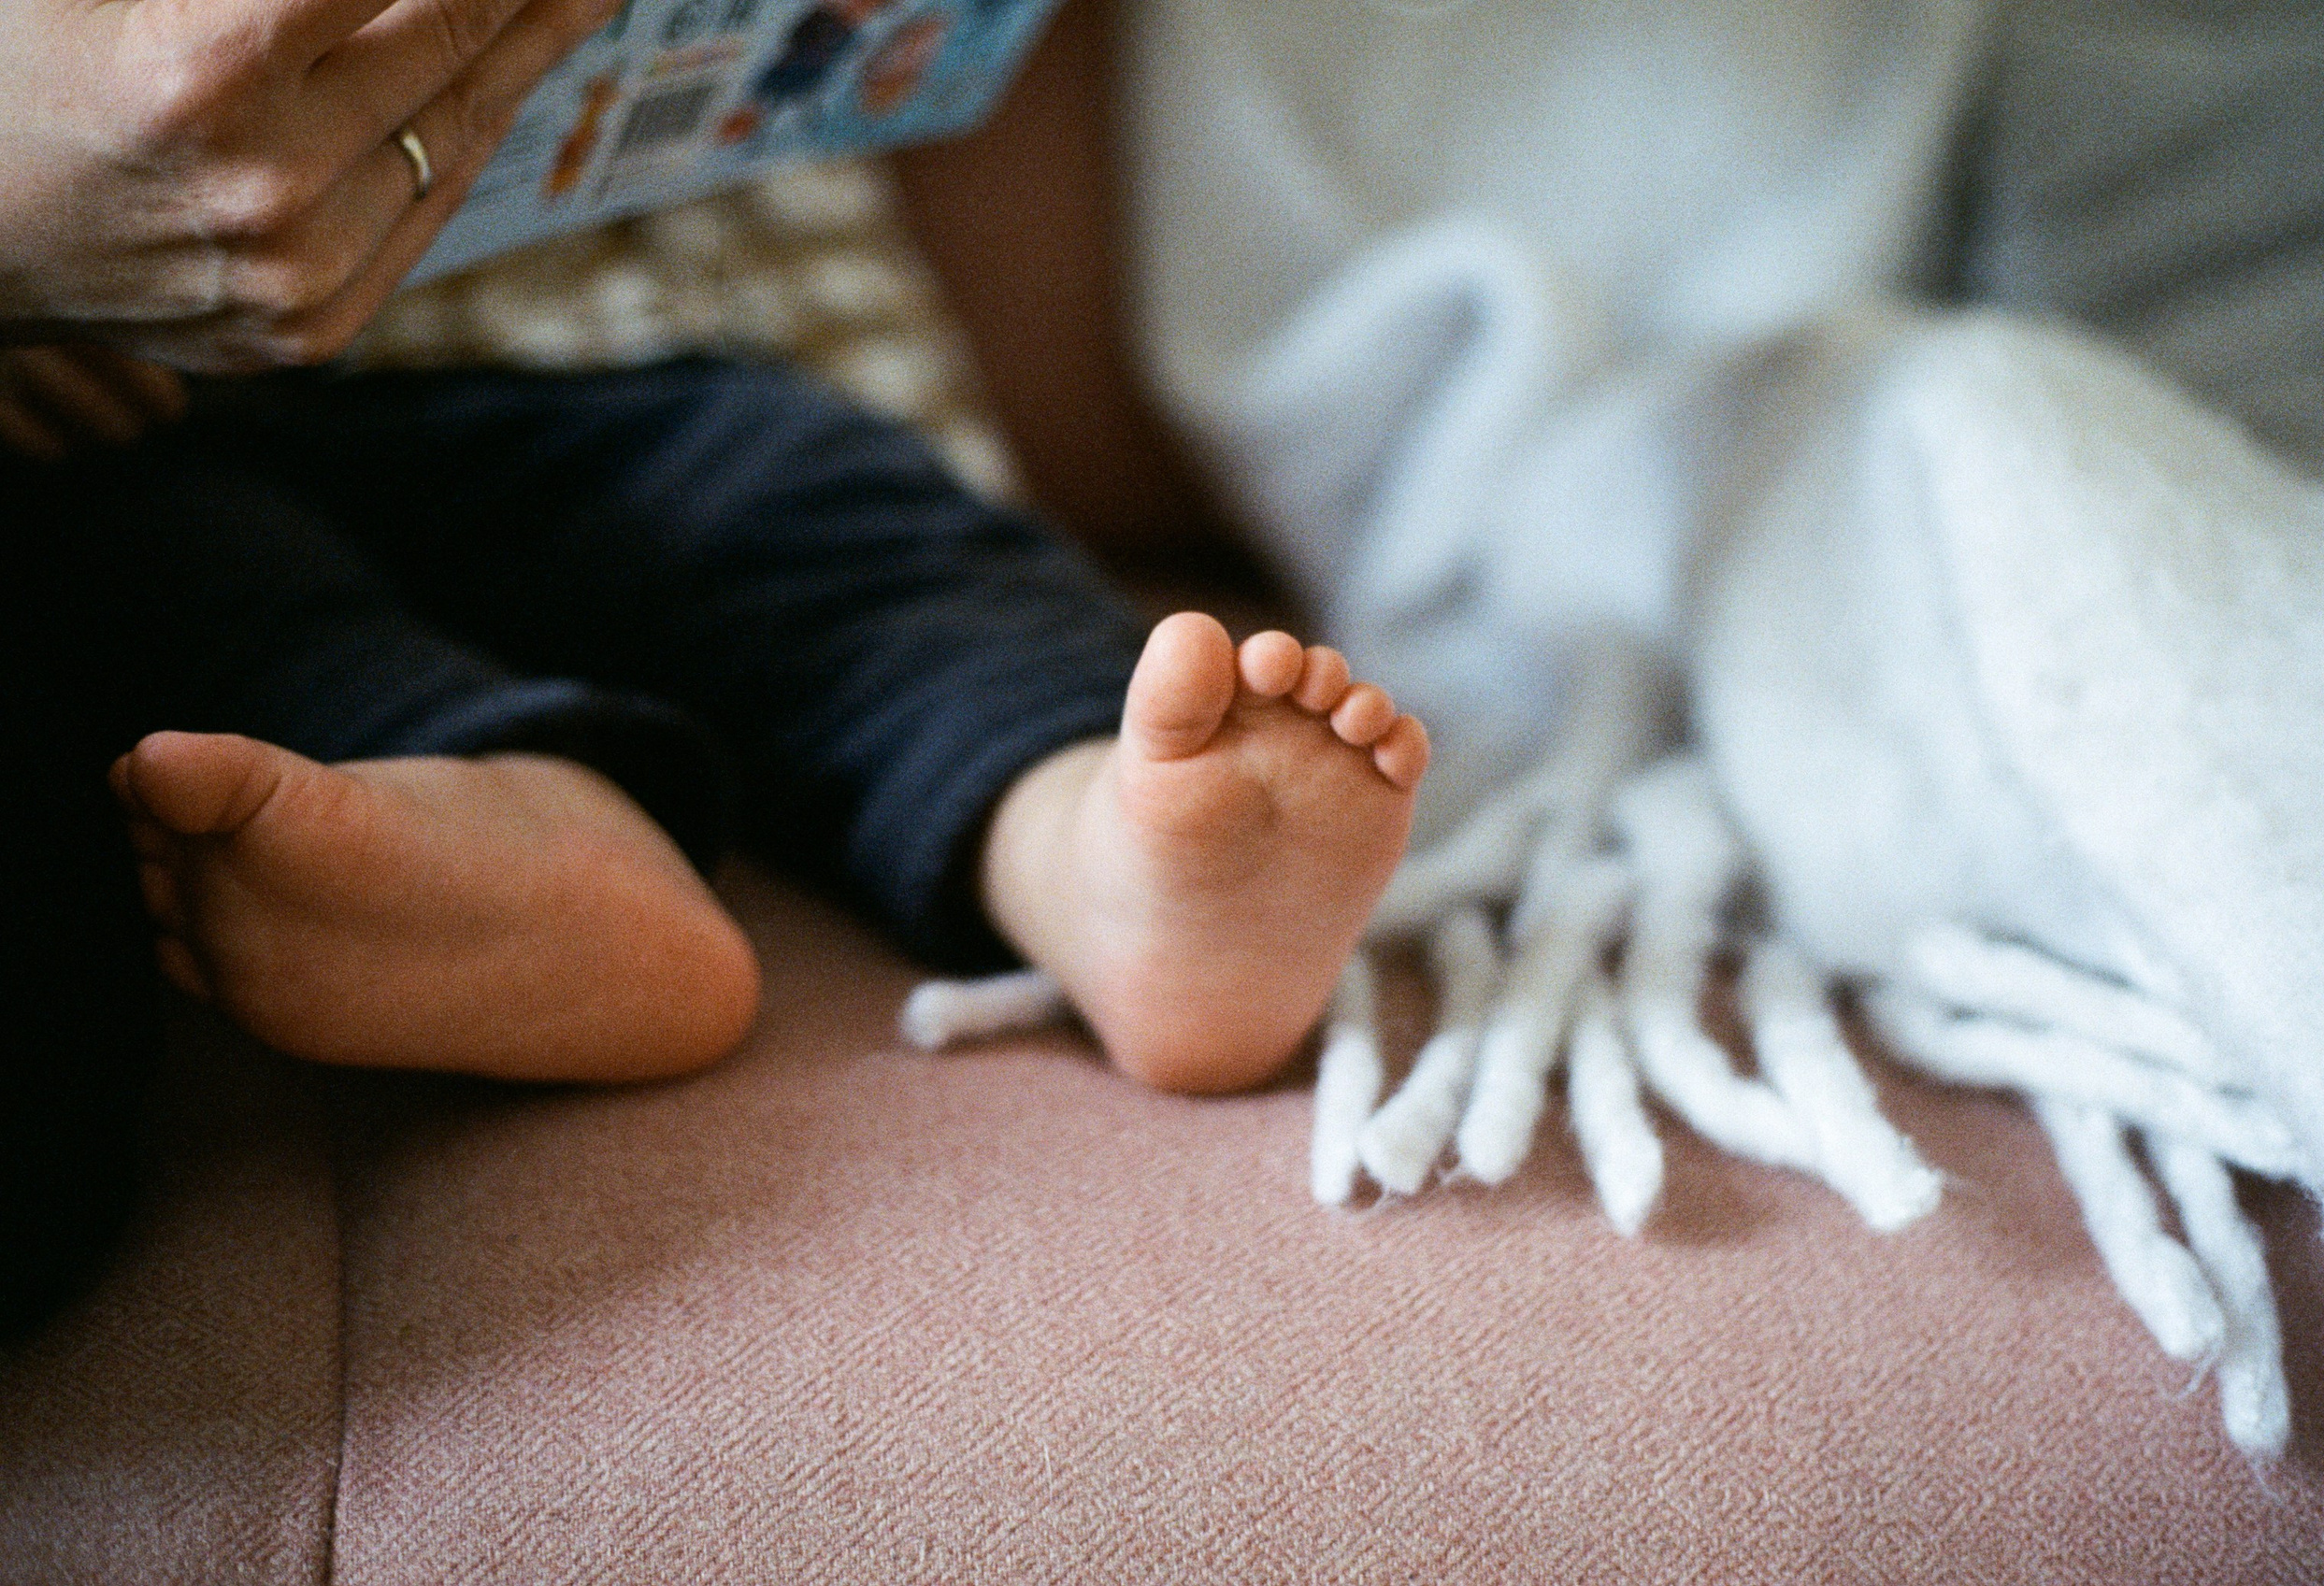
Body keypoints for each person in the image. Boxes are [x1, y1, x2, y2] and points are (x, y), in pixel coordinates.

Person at [0, 0, 1427, 1336]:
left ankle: (1099, 855)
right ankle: (525, 826)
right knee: (198, 583)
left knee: (839, 524)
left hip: (629, 357)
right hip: (149, 405)